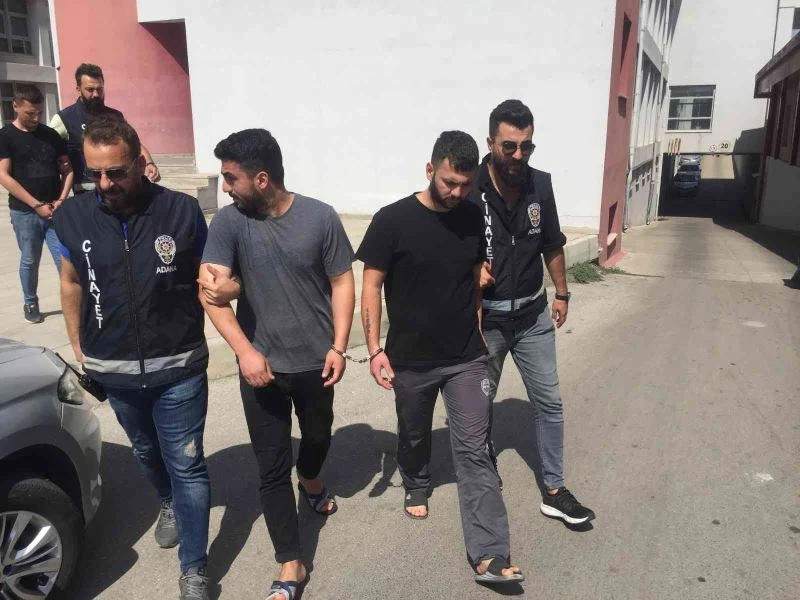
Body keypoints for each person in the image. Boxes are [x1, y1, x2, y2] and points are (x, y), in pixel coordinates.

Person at [54, 115, 212, 600]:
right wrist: (78, 345)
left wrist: (227, 293)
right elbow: (71, 281)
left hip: (179, 364)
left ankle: (195, 569)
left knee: (188, 465)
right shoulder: (73, 216)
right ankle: (167, 501)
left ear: (141, 163)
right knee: (146, 452)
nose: (105, 184)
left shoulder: (181, 211)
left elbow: (208, 275)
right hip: (114, 369)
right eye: (95, 173)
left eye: (117, 172)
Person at [357, 130, 524, 585]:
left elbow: (473, 276)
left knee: (474, 449)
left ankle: (490, 553)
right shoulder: (392, 220)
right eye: (450, 182)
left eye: (466, 185)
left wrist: (478, 322)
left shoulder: (472, 215)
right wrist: (374, 349)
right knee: (414, 433)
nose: (457, 192)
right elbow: (371, 285)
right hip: (410, 358)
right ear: (430, 170)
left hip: (465, 356)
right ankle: (415, 480)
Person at [199, 128, 355, 600]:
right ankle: (291, 561)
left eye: (231, 178)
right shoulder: (228, 223)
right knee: (270, 468)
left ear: (262, 179)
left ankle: (311, 477)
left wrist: (339, 346)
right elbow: (210, 293)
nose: (225, 187)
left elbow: (342, 282)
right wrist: (245, 352)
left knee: (318, 438)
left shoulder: (320, 217)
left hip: (316, 363)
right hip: (260, 369)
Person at [469, 99, 595, 526]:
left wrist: (562, 293)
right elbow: (446, 246)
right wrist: (470, 271)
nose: (518, 155)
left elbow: (551, 243)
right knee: (478, 404)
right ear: (491, 143)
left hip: (532, 317)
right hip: (485, 320)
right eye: (509, 146)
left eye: (526, 146)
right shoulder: (471, 188)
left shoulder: (540, 185)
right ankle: (484, 470)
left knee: (550, 402)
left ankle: (555, 491)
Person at [0, 84, 73, 323]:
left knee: (64, 259)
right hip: (25, 213)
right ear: (15, 106)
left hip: (55, 211)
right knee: (30, 260)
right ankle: (30, 302)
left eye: (39, 113)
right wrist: (36, 204)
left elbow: (67, 170)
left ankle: (73, 303)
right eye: (30, 113)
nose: (36, 118)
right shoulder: (5, 136)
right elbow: (3, 176)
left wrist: (61, 200)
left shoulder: (51, 135)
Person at [50, 63, 160, 194]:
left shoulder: (115, 116)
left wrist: (149, 163)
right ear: (78, 88)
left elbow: (134, 143)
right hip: (86, 190)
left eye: (100, 89)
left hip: (117, 186)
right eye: (90, 90)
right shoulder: (64, 118)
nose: (96, 94)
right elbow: (48, 153)